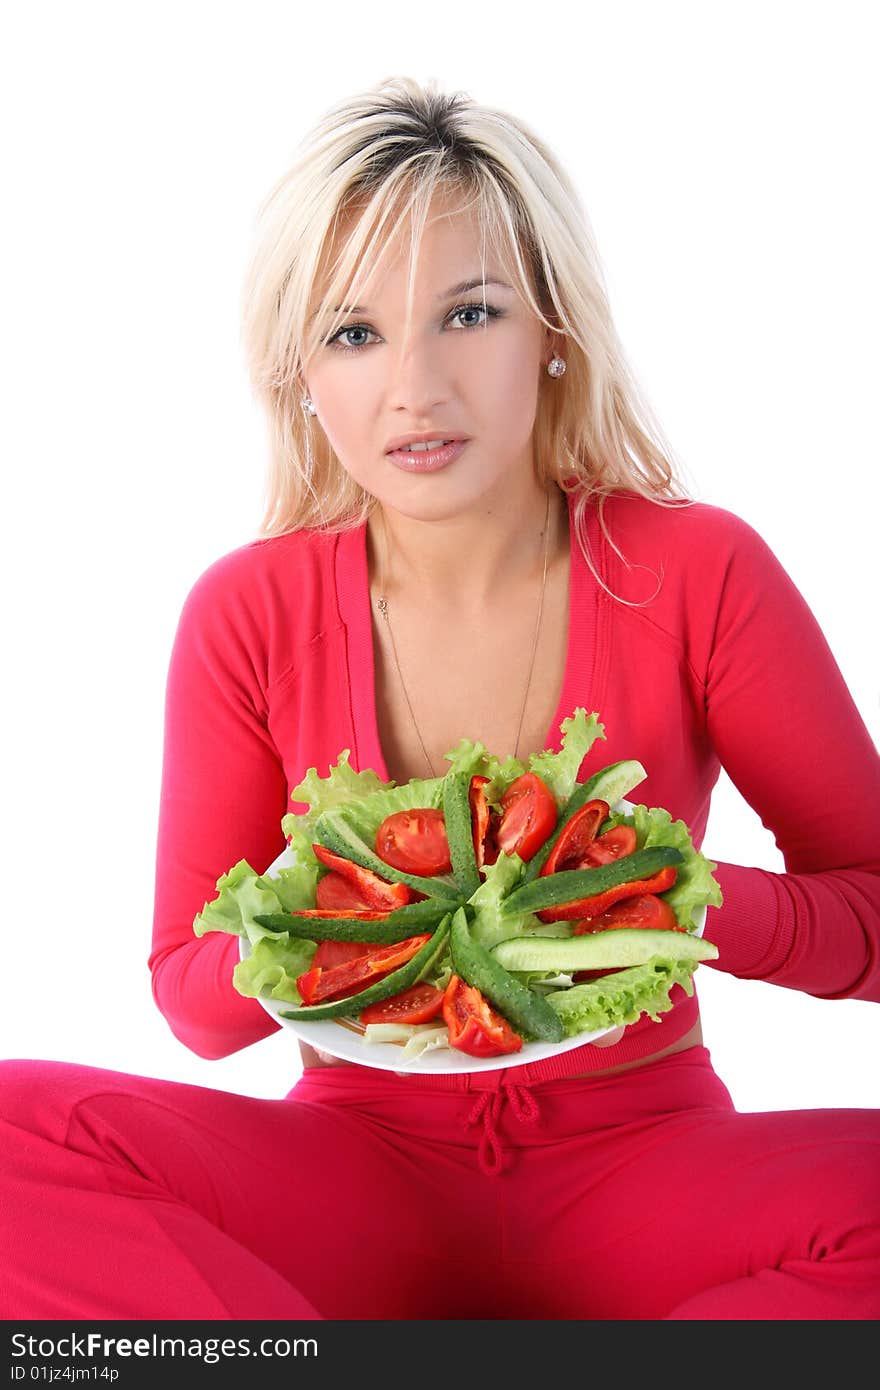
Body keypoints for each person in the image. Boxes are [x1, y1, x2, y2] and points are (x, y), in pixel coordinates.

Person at [2, 75, 879, 1322]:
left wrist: (668, 895)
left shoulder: (696, 568)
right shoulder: (246, 609)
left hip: (646, 1169)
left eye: (466, 315)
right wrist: (303, 924)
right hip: (352, 1176)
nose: (412, 387)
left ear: (552, 329)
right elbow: (191, 1006)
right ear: (300, 371)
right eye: (353, 334)